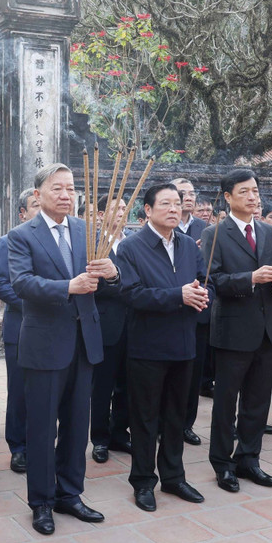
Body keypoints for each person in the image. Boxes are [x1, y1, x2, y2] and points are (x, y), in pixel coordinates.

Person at [8, 163, 118, 535]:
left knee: (76, 425)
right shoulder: (22, 235)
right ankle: (41, 502)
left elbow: (111, 280)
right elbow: (21, 283)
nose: (66, 195)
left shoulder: (89, 231)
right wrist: (68, 287)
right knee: (41, 428)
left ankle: (70, 493)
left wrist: (112, 272)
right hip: (44, 344)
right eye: (58, 188)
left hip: (84, 342)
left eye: (71, 188)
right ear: (37, 195)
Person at [117, 183, 211, 511]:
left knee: (176, 417)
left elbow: (201, 280)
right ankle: (143, 482)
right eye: (166, 203)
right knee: (145, 418)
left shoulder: (188, 245)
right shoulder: (131, 247)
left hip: (184, 343)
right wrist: (178, 296)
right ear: (147, 210)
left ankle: (174, 476)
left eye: (178, 203)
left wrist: (200, 295)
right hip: (147, 346)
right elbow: (131, 294)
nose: (175, 208)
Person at [202, 169, 272, 492]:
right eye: (244, 192)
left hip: (267, 330)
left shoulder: (268, 232)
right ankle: (222, 464)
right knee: (226, 403)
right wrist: (251, 278)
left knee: (257, 403)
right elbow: (214, 281)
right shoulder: (216, 234)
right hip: (232, 331)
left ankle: (249, 459)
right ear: (227, 198)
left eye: (255, 191)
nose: (253, 197)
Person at [0, 188, 39, 474]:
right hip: (20, 326)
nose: (39, 209)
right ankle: (18, 447)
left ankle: (43, 442)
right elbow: (1, 283)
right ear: (22, 213)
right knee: (20, 390)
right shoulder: (8, 242)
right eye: (35, 205)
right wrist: (37, 301)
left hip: (52, 329)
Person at [90, 194, 132, 464]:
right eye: (115, 209)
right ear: (101, 214)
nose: (120, 213)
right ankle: (100, 439)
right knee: (102, 386)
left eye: (124, 208)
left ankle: (120, 432)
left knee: (128, 384)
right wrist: (126, 285)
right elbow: (97, 283)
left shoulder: (134, 242)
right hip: (107, 323)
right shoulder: (94, 242)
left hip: (136, 323)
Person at [171, 177, 210, 446]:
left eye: (191, 193)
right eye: (182, 193)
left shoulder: (205, 229)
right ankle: (166, 423)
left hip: (198, 311)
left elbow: (211, 272)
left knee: (193, 373)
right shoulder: (166, 228)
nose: (188, 197)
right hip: (168, 310)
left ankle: (187, 424)